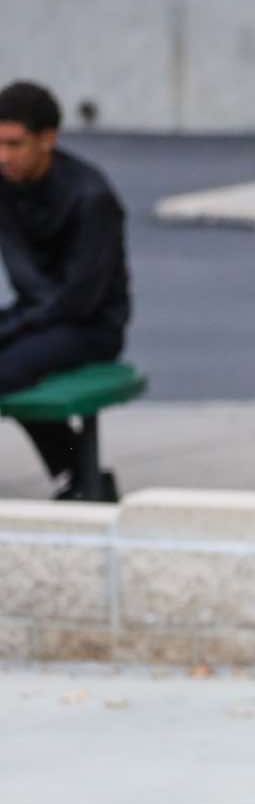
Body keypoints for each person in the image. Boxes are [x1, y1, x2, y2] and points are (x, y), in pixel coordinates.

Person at [0, 80, 131, 499]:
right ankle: (79, 472)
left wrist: (12, 328)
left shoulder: (91, 197)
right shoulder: (5, 184)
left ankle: (79, 470)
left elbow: (80, 299)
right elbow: (27, 281)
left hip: (92, 325)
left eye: (15, 144)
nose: (4, 156)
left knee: (7, 371)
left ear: (48, 139)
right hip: (36, 313)